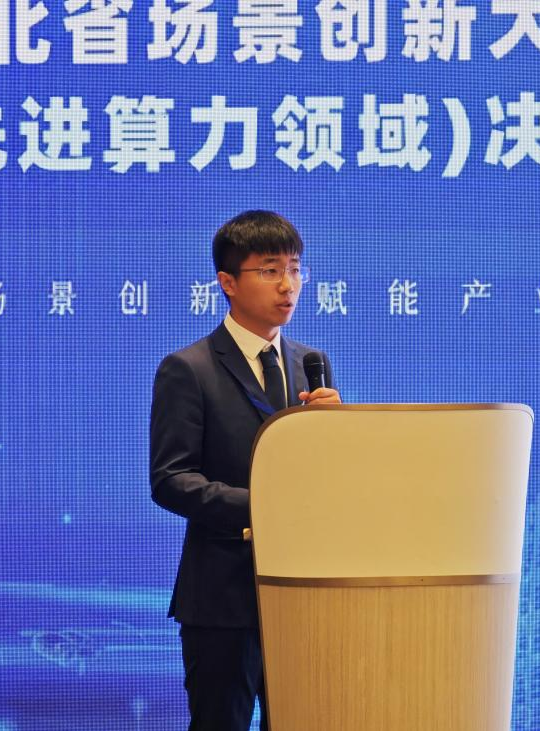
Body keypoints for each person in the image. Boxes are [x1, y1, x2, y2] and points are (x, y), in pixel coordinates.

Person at [149, 211, 341, 731]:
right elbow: (171, 479)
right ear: (228, 282)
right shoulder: (189, 369)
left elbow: (324, 482)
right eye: (270, 270)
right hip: (222, 599)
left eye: (296, 269)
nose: (288, 285)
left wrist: (338, 435)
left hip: (303, 594)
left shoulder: (310, 365)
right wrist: (265, 510)